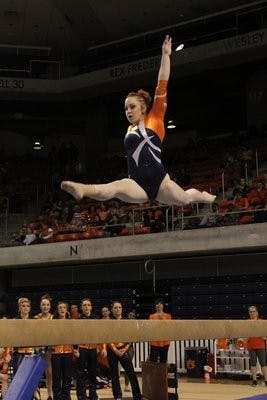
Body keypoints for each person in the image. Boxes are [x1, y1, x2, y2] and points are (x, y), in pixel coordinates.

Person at [61, 35, 215, 206]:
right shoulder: (129, 130)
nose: (128, 111)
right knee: (115, 188)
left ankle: (202, 195)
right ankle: (83, 189)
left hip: (160, 183)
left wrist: (165, 55)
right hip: (136, 183)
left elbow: (162, 81)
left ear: (143, 108)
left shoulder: (155, 117)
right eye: (126, 108)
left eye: (132, 107)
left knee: (186, 199)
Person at [107, 301, 142, 400]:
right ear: (112, 309)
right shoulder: (108, 322)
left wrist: (125, 349)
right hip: (112, 350)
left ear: (122, 309)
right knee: (114, 375)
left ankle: (137, 396)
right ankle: (117, 396)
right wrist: (115, 350)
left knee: (131, 373)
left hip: (124, 349)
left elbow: (131, 337)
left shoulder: (127, 321)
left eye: (119, 307)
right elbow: (107, 337)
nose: (118, 309)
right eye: (115, 308)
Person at [75, 298, 99, 400]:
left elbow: (99, 335)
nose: (86, 307)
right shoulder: (78, 321)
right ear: (81, 307)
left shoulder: (96, 319)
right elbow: (75, 336)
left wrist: (99, 347)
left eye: (88, 305)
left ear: (91, 307)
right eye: (84, 305)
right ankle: (81, 395)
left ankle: (93, 394)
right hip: (82, 349)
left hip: (93, 349)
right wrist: (76, 349)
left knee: (93, 373)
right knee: (80, 373)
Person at [51, 301, 73, 400]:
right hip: (56, 352)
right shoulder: (53, 321)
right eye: (60, 308)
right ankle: (57, 397)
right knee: (56, 377)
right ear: (57, 310)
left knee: (67, 377)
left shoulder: (71, 322)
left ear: (66, 310)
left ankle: (67, 396)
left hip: (68, 352)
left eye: (64, 307)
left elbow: (75, 337)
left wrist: (75, 349)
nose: (62, 309)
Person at [34, 294, 53, 400]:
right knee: (37, 372)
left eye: (47, 305)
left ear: (50, 306)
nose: (45, 307)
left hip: (49, 348)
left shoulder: (53, 318)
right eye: (43, 305)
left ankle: (50, 394)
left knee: (49, 372)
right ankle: (36, 394)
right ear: (40, 306)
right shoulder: (36, 318)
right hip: (38, 347)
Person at [245, 305, 267, 387]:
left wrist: (263, 336)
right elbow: (245, 335)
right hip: (251, 345)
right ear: (249, 313)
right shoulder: (247, 322)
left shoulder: (261, 321)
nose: (252, 313)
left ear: (257, 313)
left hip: (260, 345)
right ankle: (254, 380)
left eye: (254, 311)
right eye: (250, 311)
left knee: (263, 364)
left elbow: (265, 335)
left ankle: (266, 380)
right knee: (253, 364)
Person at [149, 298, 172, 363]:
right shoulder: (151, 316)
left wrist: (162, 318)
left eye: (160, 304)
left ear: (163, 305)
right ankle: (154, 373)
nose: (159, 305)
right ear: (155, 306)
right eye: (157, 304)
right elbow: (151, 328)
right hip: (154, 342)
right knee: (153, 362)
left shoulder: (168, 316)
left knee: (163, 361)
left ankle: (163, 373)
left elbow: (169, 327)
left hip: (165, 341)